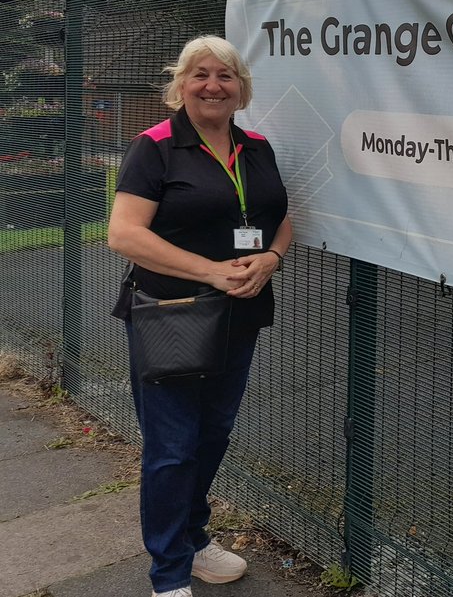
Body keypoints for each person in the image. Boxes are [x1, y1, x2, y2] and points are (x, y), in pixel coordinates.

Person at [108, 35, 292, 597]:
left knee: (214, 434)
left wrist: (272, 256)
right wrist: (211, 272)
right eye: (200, 75)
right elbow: (124, 234)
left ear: (241, 90)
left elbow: (281, 216)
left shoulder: (256, 146)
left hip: (239, 315)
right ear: (180, 86)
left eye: (225, 76)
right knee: (172, 446)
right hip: (173, 314)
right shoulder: (156, 146)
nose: (213, 85)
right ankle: (168, 574)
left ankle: (191, 537)